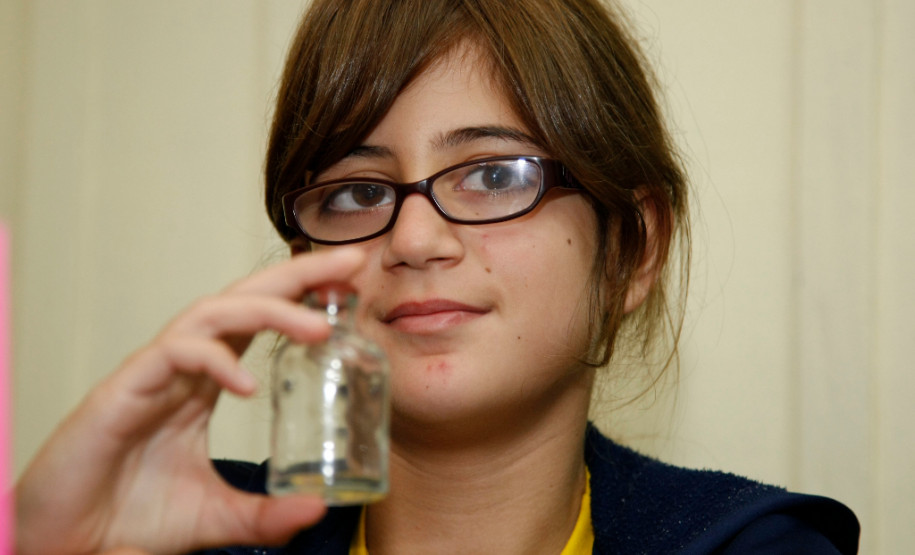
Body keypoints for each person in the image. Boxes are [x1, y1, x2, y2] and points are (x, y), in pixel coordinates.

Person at [15, 0, 859, 553]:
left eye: (493, 174)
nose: (413, 238)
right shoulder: (165, 537)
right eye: (354, 191)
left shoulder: (755, 547)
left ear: (632, 247)